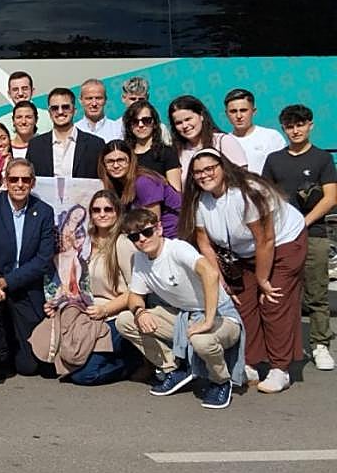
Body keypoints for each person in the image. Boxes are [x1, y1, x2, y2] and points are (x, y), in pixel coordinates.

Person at [180, 149, 306, 394]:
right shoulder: (202, 202)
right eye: (198, 172)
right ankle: (251, 361)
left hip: (283, 242)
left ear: (223, 167)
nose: (205, 175)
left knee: (272, 301)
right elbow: (205, 243)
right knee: (243, 303)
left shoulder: (247, 193)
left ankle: (280, 368)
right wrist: (221, 280)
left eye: (210, 168)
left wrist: (262, 279)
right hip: (243, 253)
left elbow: (265, 239)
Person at [114, 208, 244, 409]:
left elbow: (210, 274)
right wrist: (140, 312)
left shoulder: (177, 249)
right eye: (134, 236)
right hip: (183, 316)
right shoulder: (140, 259)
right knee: (125, 320)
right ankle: (174, 369)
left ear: (159, 229)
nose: (141, 239)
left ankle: (220, 381)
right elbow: (135, 297)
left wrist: (208, 320)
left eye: (146, 232)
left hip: (220, 314)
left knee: (201, 339)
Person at [262, 104, 337, 371]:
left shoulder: (322, 159)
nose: (295, 130)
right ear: (283, 129)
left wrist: (303, 222)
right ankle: (284, 344)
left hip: (313, 234)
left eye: (300, 125)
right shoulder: (274, 160)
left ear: (310, 125)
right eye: (290, 126)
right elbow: (266, 197)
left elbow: (331, 198)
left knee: (316, 293)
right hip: (281, 239)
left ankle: (320, 345)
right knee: (282, 294)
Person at [0, 158, 56, 378]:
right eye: (13, 179)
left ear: (32, 183)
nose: (19, 184)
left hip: (25, 288)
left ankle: (13, 349)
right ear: (5, 181)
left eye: (25, 179)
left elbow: (43, 259)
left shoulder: (44, 211)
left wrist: (9, 282)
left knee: (29, 367)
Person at [49, 189, 136, 386]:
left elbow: (136, 291)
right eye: (96, 210)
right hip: (85, 313)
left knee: (84, 375)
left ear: (117, 213)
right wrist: (59, 301)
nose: (102, 214)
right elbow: (76, 282)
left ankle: (131, 362)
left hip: (113, 315)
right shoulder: (85, 243)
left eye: (108, 209)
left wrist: (106, 309)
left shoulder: (123, 244)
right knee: (63, 365)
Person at [97, 140, 181, 239]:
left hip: (170, 236)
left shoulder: (144, 182)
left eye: (121, 160)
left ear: (130, 161)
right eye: (110, 161)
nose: (115, 166)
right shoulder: (117, 184)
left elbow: (152, 222)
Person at [27, 88, 105, 178]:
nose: (60, 112)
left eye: (65, 107)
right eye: (55, 108)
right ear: (49, 112)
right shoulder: (35, 145)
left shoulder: (95, 144)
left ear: (74, 111)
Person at [168, 95, 246, 175]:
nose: (185, 126)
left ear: (201, 116)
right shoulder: (176, 152)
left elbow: (245, 179)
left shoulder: (223, 141)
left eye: (188, 119)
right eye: (178, 123)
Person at [224, 88, 285, 175]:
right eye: (233, 111)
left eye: (243, 110)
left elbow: (282, 170)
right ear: (226, 114)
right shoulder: (223, 142)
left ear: (254, 111)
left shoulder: (272, 137)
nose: (238, 116)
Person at [122, 101, 182, 190]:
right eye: (135, 121)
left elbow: (176, 192)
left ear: (154, 123)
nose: (141, 125)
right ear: (129, 125)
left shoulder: (167, 153)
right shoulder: (124, 154)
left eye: (146, 120)